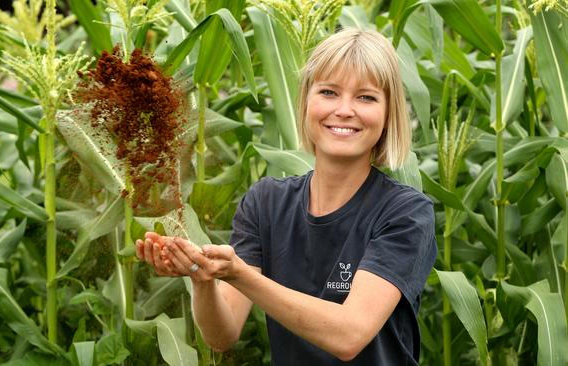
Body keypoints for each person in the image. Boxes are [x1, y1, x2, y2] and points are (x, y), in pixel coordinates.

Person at [136, 28, 437, 365]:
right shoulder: (266, 203)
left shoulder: (405, 213)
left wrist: (239, 274)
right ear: (306, 101)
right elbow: (221, 336)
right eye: (328, 92)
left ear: (387, 114)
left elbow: (350, 334)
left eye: (366, 97)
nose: (344, 109)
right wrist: (202, 278)